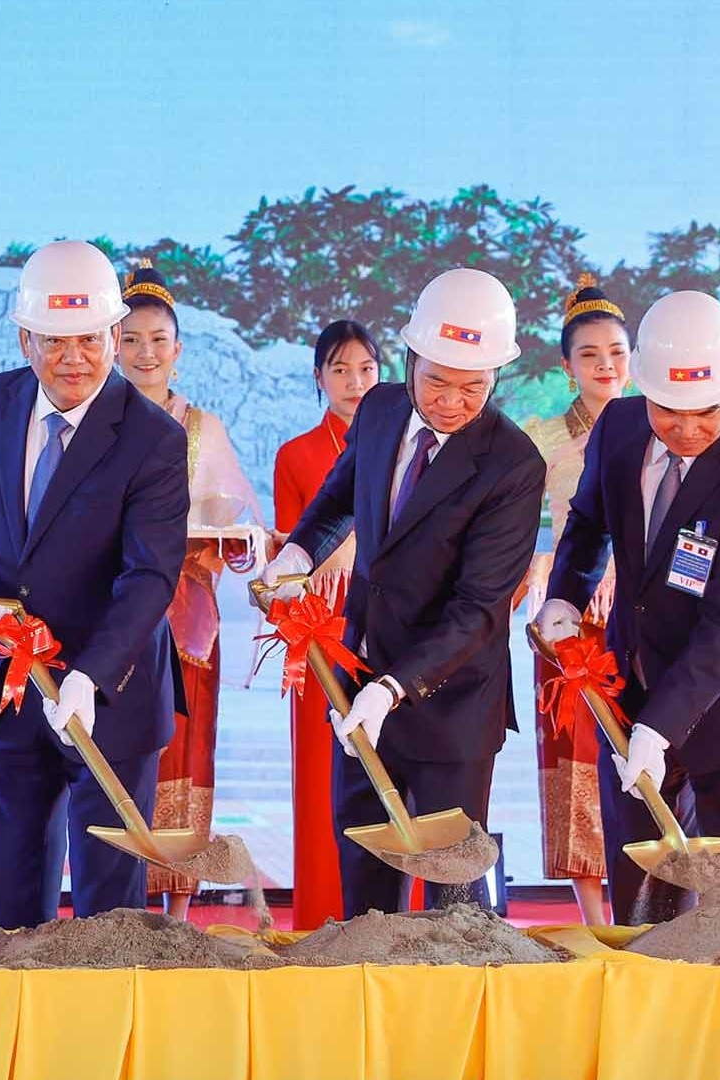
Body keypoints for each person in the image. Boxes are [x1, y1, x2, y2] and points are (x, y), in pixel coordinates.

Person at [261, 267, 545, 917]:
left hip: (451, 704)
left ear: (496, 377)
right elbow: (340, 495)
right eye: (437, 380)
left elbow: (477, 609)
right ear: (411, 357)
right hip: (361, 678)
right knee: (365, 882)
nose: (451, 401)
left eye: (472, 387)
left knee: (452, 896)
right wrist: (299, 553)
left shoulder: (513, 464)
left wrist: (393, 689)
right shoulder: (383, 407)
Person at [0, 240, 190, 930]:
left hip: (113, 697)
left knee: (108, 911)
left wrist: (89, 677)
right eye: (53, 342)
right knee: (12, 897)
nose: (74, 359)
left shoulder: (153, 439)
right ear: (24, 339)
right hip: (13, 689)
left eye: (90, 340)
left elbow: (150, 576)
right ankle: (15, 1028)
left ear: (113, 336)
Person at [537, 290, 720, 920]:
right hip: (633, 683)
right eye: (668, 411)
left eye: (704, 413)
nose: (685, 429)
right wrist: (565, 594)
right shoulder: (619, 428)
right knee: (643, 881)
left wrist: (660, 726)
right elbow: (589, 520)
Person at [113, 262, 263, 920]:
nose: (146, 353)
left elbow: (244, 526)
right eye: (131, 340)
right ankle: (119, 899)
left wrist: (216, 542)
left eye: (158, 340)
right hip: (112, 614)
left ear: (178, 349)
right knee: (118, 749)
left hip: (186, 615)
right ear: (111, 345)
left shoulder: (204, 429)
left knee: (185, 743)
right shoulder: (94, 426)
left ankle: (176, 905)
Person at [520, 275, 630, 926]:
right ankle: (593, 915)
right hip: (566, 620)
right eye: (589, 355)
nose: (606, 365)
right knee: (572, 757)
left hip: (635, 619)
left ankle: (648, 899)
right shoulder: (541, 438)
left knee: (632, 749)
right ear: (567, 366)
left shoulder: (658, 427)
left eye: (616, 351)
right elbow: (530, 527)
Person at [270, 319, 380, 930]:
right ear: (319, 378)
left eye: (366, 368)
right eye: (340, 369)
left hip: (386, 633)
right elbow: (291, 551)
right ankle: (319, 916)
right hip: (318, 636)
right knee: (321, 778)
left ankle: (392, 920)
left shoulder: (402, 444)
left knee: (386, 768)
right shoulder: (296, 455)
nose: (354, 381)